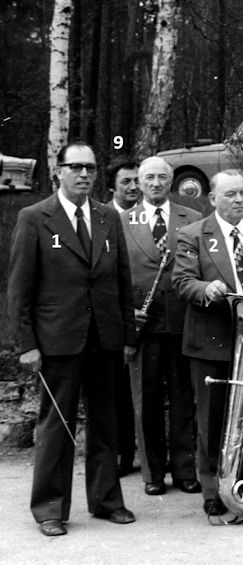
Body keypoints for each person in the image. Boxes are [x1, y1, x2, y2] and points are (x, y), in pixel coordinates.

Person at [8, 141, 137, 536]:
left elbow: (122, 282)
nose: (84, 175)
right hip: (57, 341)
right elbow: (19, 287)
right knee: (56, 426)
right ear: (58, 172)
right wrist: (26, 343)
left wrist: (127, 334)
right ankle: (50, 508)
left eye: (91, 168)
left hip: (104, 339)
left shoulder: (106, 218)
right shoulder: (35, 218)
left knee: (105, 424)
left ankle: (106, 500)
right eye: (75, 167)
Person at [173, 169, 243, 515]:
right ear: (212, 199)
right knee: (213, 419)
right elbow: (182, 282)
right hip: (212, 340)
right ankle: (212, 491)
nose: (238, 200)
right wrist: (206, 289)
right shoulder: (192, 234)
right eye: (230, 194)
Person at [122, 156, 202, 496]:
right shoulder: (121, 221)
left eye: (162, 178)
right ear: (139, 183)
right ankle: (153, 474)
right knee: (147, 400)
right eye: (149, 178)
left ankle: (185, 470)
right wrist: (126, 311)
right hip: (144, 324)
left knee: (185, 398)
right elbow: (111, 275)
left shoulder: (193, 219)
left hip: (183, 321)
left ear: (171, 182)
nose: (155, 183)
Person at [105, 157, 141, 476]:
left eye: (136, 181)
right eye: (125, 182)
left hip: (150, 316)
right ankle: (122, 453)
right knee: (118, 391)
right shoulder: (103, 219)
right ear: (111, 187)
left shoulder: (150, 217)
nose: (133, 187)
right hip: (116, 319)